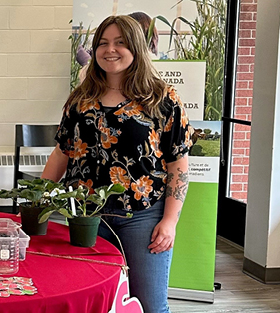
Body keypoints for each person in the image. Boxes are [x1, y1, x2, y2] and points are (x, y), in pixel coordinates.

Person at [42, 15, 192, 313]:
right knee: (89, 300)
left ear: (135, 47)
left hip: (143, 217)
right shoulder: (81, 99)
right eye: (103, 43)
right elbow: (62, 152)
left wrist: (170, 221)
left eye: (120, 42)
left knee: (149, 304)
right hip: (85, 216)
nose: (110, 50)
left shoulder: (162, 98)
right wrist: (39, 200)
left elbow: (178, 164)